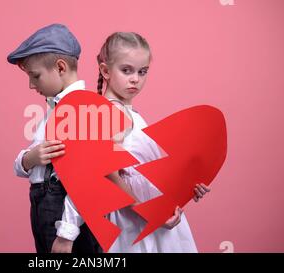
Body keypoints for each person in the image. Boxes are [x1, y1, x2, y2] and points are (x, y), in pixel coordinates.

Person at [52, 32, 211, 253]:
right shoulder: (106, 114)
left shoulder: (133, 115)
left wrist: (185, 189)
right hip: (134, 222)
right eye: (127, 70)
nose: (135, 78)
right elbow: (95, 177)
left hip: (158, 217)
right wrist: (66, 234)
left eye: (142, 71)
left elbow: (151, 173)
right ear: (105, 70)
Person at [8, 23, 101, 253]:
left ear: (60, 68)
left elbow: (87, 179)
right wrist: (30, 158)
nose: (31, 85)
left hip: (66, 216)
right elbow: (20, 166)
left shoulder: (82, 109)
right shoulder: (52, 110)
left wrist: (67, 234)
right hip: (43, 208)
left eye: (35, 76)